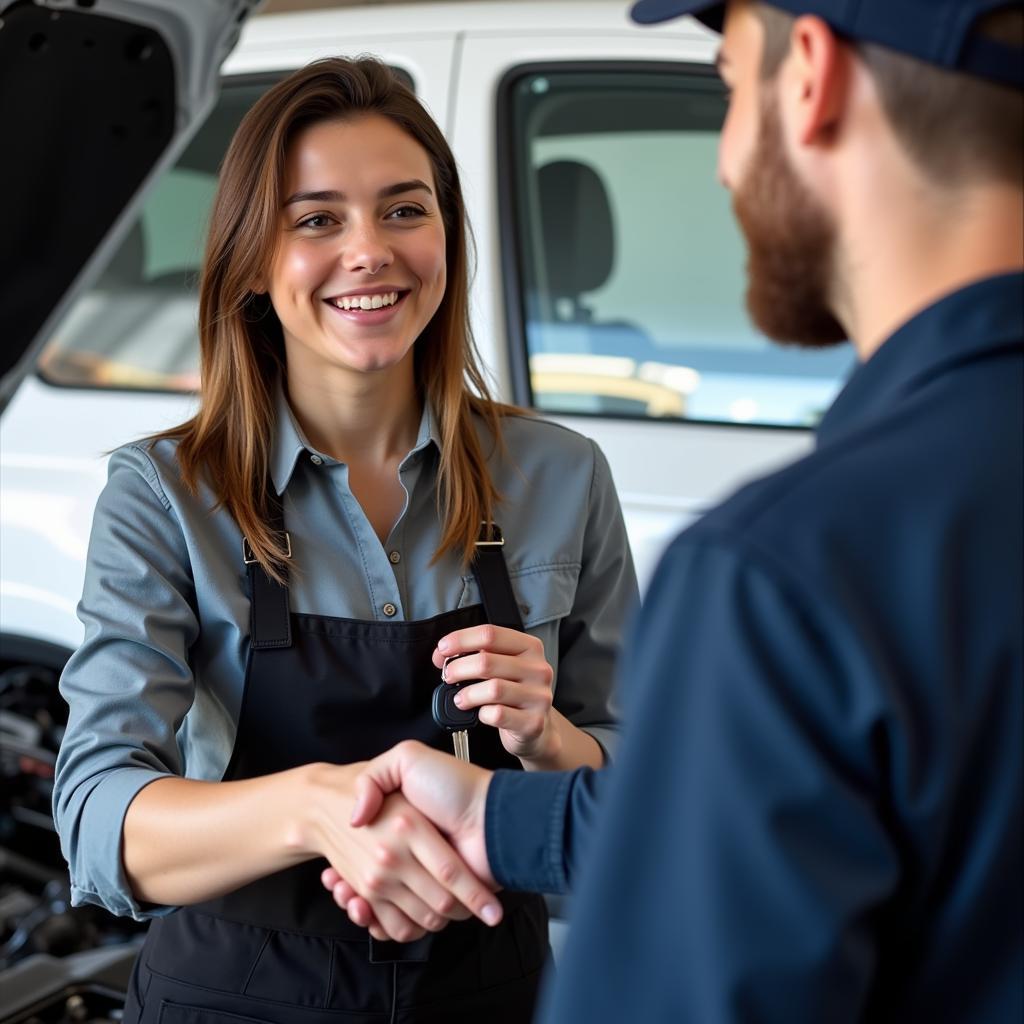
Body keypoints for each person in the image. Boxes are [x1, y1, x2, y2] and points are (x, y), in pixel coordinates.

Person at [320, 2, 1024, 1021]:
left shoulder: (790, 570)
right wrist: (497, 817)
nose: (725, 163)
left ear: (810, 76)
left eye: (731, 85)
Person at [52, 58, 637, 1023]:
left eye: (405, 210)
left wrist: (552, 740)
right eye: (317, 219)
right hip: (235, 997)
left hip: (493, 995)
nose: (370, 251)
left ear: (447, 233)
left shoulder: (563, 476)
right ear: (251, 258)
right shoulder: (162, 495)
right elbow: (98, 819)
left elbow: (655, 810)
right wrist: (324, 809)